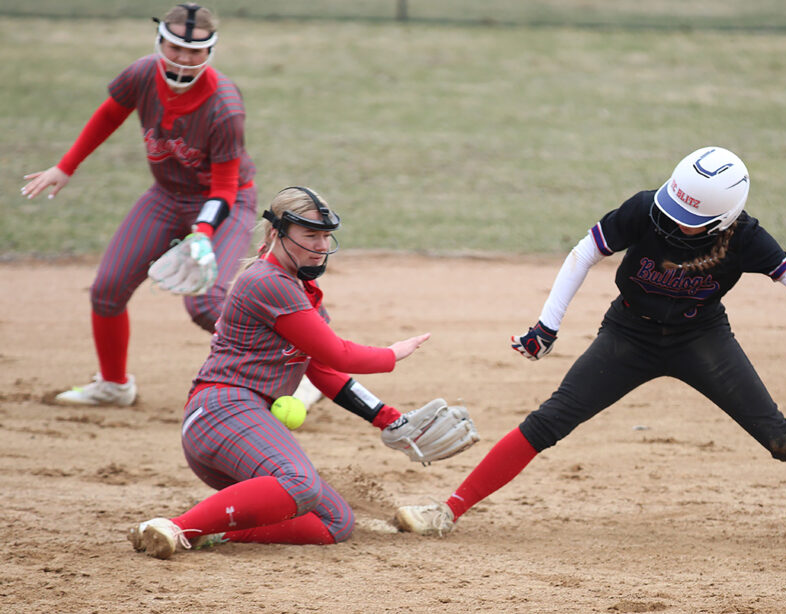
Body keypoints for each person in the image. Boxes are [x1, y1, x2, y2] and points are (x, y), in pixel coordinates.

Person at [394, 146, 786, 544]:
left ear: (725, 217)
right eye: (674, 212)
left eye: (692, 221)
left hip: (701, 339)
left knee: (780, 436)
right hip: (628, 333)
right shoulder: (645, 207)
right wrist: (546, 327)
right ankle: (449, 509)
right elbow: (585, 252)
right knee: (548, 421)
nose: (674, 225)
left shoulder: (745, 236)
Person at [128, 186, 477, 559]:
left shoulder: (299, 289)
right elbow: (336, 353)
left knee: (335, 522)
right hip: (222, 411)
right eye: (310, 235)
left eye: (326, 235)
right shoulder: (267, 281)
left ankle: (211, 532)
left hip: (240, 419)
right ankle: (177, 527)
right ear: (278, 233)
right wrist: (391, 354)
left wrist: (387, 418)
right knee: (300, 484)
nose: (322, 245)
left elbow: (323, 371)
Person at [21, 3, 256, 406]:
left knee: (205, 304)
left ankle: (295, 363)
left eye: (194, 51)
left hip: (226, 203)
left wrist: (201, 235)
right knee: (107, 291)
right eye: (174, 47)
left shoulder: (224, 105)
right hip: (166, 196)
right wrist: (66, 166)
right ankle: (114, 386)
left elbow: (225, 187)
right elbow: (110, 114)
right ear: (159, 41)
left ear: (210, 51)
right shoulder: (143, 73)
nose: (182, 58)